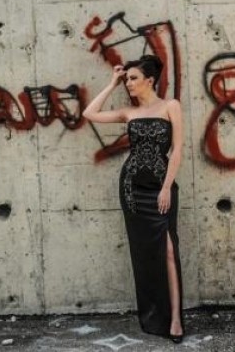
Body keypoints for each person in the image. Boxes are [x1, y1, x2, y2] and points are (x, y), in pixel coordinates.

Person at [83, 55, 185, 343]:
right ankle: (153, 315)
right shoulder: (129, 112)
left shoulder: (171, 106)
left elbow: (177, 150)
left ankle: (175, 320)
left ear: (149, 80)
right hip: (132, 189)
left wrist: (166, 187)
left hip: (161, 187)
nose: (128, 83)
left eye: (133, 78)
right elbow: (89, 113)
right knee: (143, 254)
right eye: (126, 79)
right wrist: (112, 82)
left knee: (168, 250)